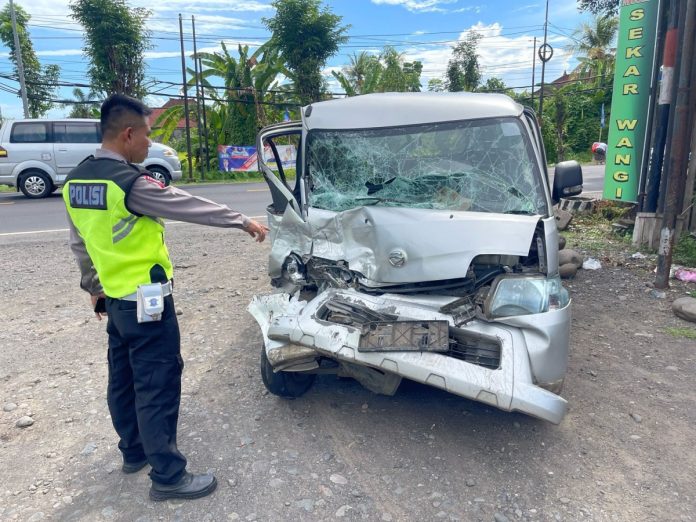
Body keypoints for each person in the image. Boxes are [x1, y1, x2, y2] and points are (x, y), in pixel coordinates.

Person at [62, 94, 269, 501]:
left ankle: (133, 452)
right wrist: (242, 221)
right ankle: (168, 476)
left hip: (115, 301)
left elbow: (80, 243)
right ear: (127, 134)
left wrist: (94, 288)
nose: (149, 143)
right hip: (147, 301)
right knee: (157, 383)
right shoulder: (130, 183)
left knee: (122, 379)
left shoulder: (77, 180)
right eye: (147, 135)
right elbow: (187, 204)